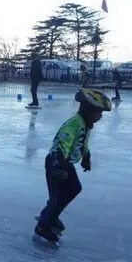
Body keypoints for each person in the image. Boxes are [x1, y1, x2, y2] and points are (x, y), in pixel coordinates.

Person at [34, 89, 112, 243]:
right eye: (99, 112)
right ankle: (43, 225)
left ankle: (51, 215)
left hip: (66, 163)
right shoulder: (73, 124)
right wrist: (58, 167)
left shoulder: (85, 124)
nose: (100, 117)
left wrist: (86, 156)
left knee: (75, 188)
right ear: (88, 110)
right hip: (56, 163)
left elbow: (83, 142)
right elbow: (61, 146)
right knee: (58, 197)